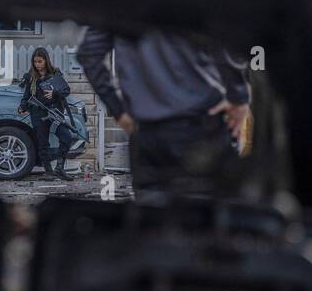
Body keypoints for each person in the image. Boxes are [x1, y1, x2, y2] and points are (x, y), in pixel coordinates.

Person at [77, 28, 249, 194]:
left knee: (150, 215)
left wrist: (119, 111)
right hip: (200, 127)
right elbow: (224, 43)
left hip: (147, 135)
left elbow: (89, 54)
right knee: (208, 216)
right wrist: (239, 96)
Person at [18, 47, 78, 179]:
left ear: (46, 60)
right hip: (38, 114)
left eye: (40, 61)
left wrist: (54, 93)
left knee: (66, 137)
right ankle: (48, 172)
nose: (37, 64)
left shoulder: (55, 74)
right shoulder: (31, 77)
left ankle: (59, 168)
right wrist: (22, 107)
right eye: (35, 62)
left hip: (54, 112)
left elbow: (66, 90)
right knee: (43, 143)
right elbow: (26, 95)